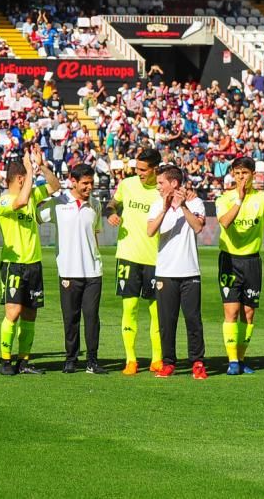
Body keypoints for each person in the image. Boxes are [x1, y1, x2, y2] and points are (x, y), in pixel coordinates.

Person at [0, 146, 60, 375]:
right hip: (13, 263)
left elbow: (55, 186)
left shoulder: (32, 195)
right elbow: (20, 202)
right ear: (21, 179)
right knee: (13, 312)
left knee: (31, 313)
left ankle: (23, 361)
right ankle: (5, 361)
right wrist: (31, 171)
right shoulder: (2, 202)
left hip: (34, 263)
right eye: (29, 176)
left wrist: (41, 166)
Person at [215, 157, 264, 375]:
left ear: (253, 174)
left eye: (245, 173)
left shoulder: (261, 198)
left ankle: (241, 358)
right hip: (230, 260)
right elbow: (225, 222)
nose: (241, 177)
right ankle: (232, 360)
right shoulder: (224, 198)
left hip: (252, 260)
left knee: (249, 312)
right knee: (231, 311)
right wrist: (239, 200)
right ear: (232, 174)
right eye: (238, 173)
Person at [105, 147, 164, 375]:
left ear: (154, 169)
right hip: (128, 255)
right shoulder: (127, 184)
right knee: (129, 308)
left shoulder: (162, 190)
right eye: (137, 168)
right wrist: (110, 212)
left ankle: (157, 359)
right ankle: (131, 359)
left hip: (156, 258)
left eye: (142, 169)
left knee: (156, 312)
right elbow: (113, 202)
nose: (138, 173)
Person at [41, 164, 104, 374]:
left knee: (92, 317)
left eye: (91, 183)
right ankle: (71, 358)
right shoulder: (58, 203)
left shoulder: (95, 204)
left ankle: (92, 360)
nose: (89, 187)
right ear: (73, 181)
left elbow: (95, 234)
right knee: (71, 317)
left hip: (93, 271)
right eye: (85, 183)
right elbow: (36, 216)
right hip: (68, 270)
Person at [146, 166, 208, 380]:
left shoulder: (195, 202)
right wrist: (165, 208)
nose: (158, 186)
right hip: (165, 272)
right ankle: (168, 362)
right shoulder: (156, 205)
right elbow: (150, 231)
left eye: (161, 182)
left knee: (193, 319)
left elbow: (198, 227)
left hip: (190, 271)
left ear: (174, 183)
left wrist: (182, 207)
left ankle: (197, 362)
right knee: (166, 321)